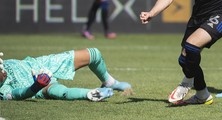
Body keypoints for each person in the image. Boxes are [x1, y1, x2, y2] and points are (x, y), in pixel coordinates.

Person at [0, 48, 131, 101]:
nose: (2, 69)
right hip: (36, 85)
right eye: (0, 71)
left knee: (93, 53)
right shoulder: (3, 91)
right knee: (58, 92)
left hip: (40, 64)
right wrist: (35, 86)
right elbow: (19, 94)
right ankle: (91, 93)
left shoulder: (3, 66)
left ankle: (110, 82)